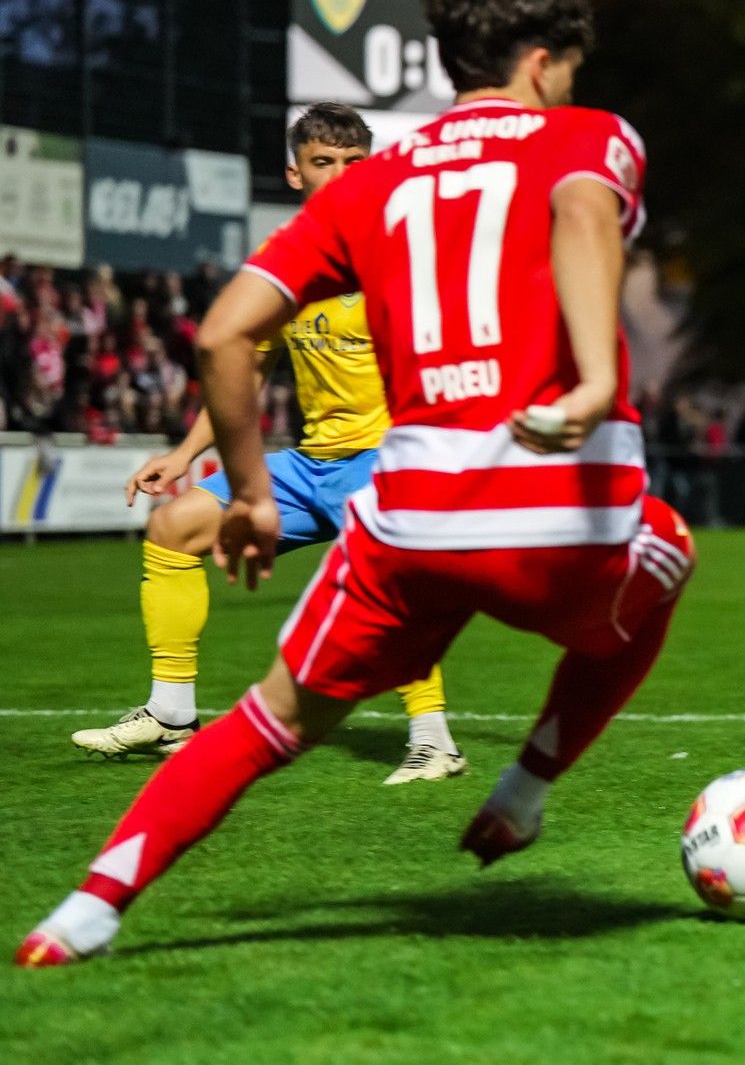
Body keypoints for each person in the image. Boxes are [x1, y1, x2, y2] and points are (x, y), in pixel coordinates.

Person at [18, 0, 692, 967]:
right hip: (553, 513)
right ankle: (525, 788)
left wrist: (247, 494)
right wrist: (594, 380)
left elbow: (220, 339)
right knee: (669, 555)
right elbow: (585, 212)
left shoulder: (367, 184)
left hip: (407, 519)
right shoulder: (587, 135)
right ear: (545, 62)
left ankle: (87, 908)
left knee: (266, 719)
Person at [69, 105, 466, 787]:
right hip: (310, 465)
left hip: (384, 458)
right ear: (294, 171)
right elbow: (245, 366)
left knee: (391, 574)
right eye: (322, 162)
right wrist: (190, 449)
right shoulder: (285, 259)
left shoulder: (401, 253)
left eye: (354, 163)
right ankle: (170, 713)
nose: (340, 176)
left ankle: (434, 740)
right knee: (172, 524)